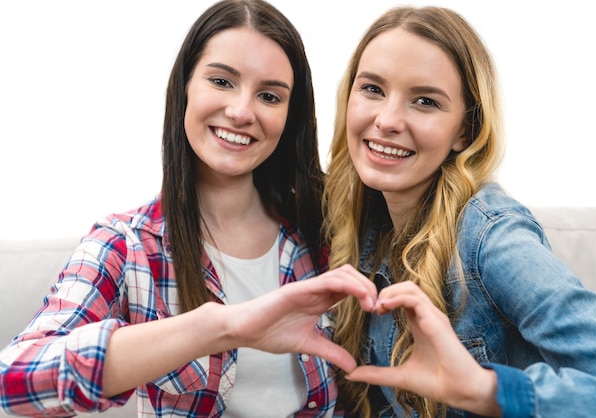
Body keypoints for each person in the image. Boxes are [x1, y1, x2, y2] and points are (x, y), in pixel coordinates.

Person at [0, 0, 378, 416]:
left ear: (291, 115)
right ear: (184, 88)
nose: (241, 112)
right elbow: (14, 381)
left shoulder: (326, 233)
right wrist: (218, 327)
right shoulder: (127, 246)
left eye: (269, 96)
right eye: (221, 81)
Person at [322, 5, 596, 417]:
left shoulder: (491, 238)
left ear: (464, 130)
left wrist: (484, 390)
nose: (388, 119)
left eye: (425, 101)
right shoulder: (362, 223)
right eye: (373, 89)